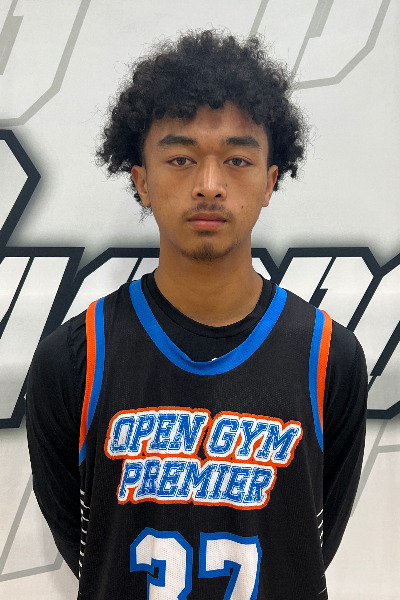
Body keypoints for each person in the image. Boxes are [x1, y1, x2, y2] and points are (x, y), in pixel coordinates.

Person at [26, 30, 367, 600]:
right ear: (142, 180)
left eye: (237, 160)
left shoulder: (329, 357)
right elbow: (89, 549)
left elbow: (309, 546)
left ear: (269, 181)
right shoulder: (73, 359)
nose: (209, 186)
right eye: (180, 159)